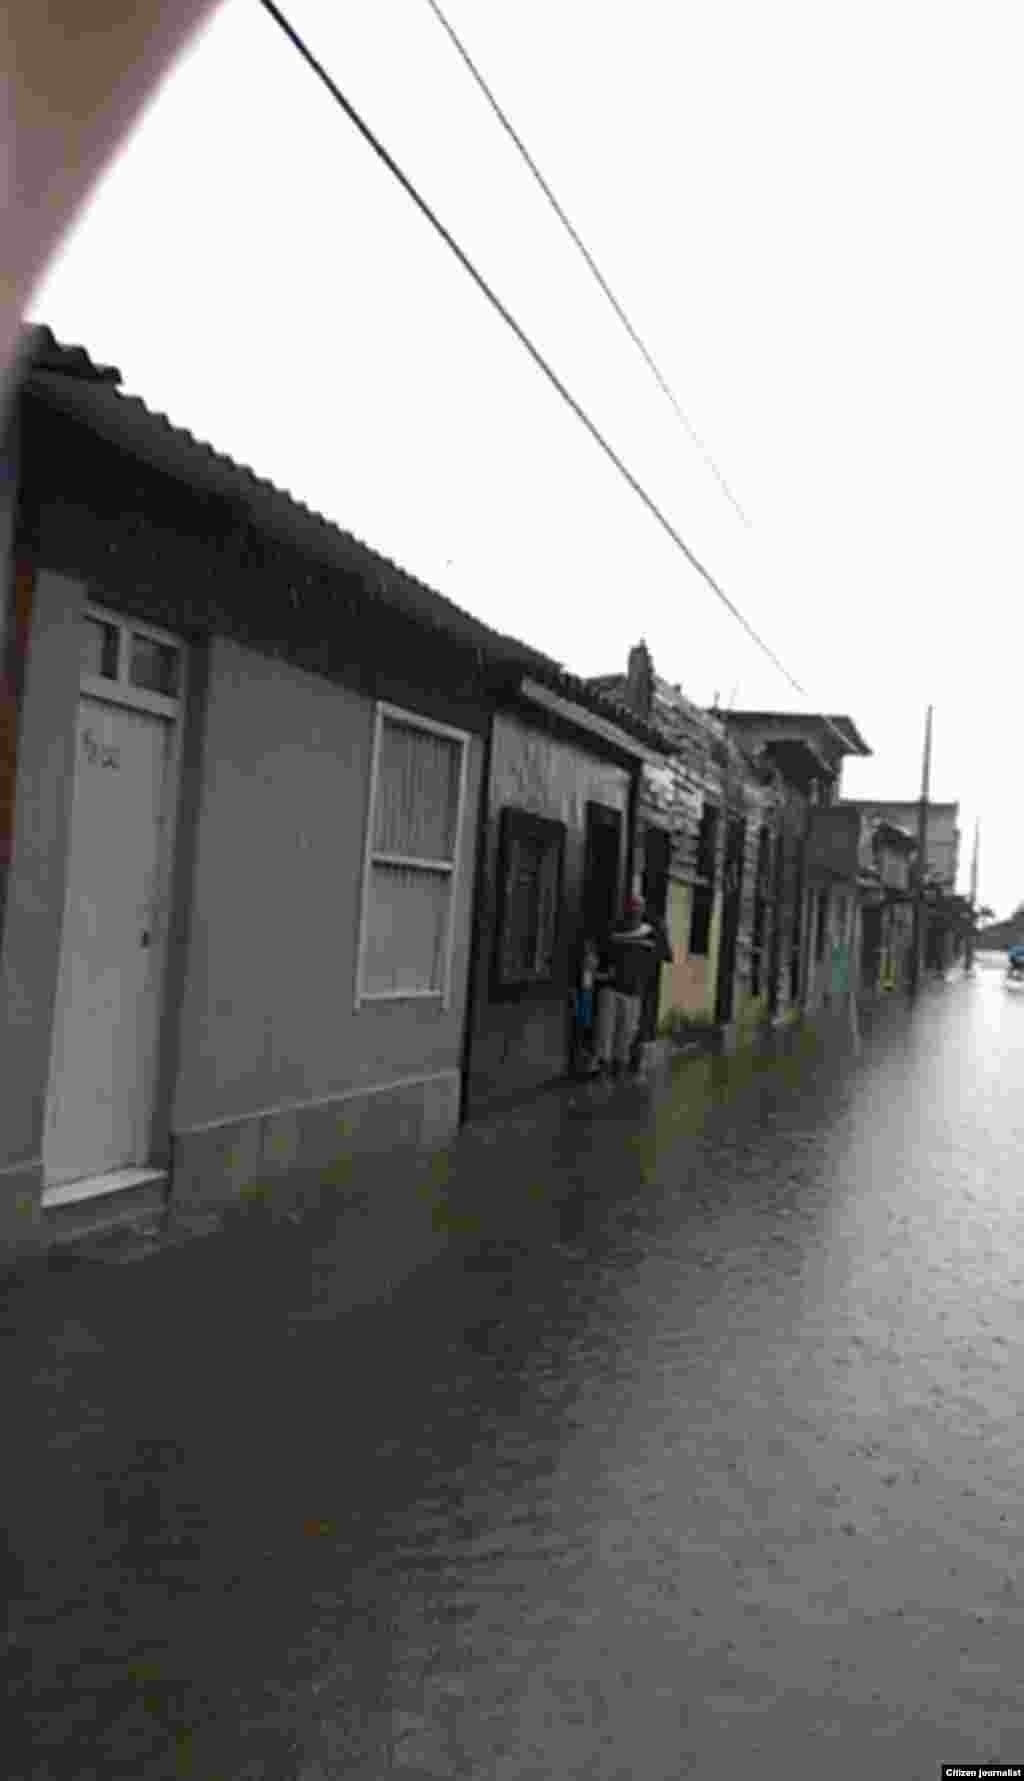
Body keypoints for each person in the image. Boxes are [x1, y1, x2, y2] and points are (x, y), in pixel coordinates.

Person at [594, 896, 662, 1078]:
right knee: (605, 1031)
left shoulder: (651, 933)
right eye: (632, 906)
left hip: (634, 990)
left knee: (626, 1033)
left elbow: (662, 956)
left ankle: (619, 1066)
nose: (635, 910)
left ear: (643, 910)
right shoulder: (614, 928)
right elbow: (601, 949)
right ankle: (604, 1067)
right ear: (626, 909)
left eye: (638, 906)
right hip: (611, 988)